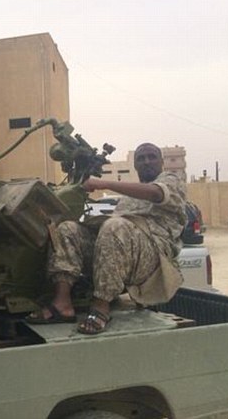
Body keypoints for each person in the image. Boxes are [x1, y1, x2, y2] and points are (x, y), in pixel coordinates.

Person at [26, 143, 187, 334]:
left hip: (153, 256)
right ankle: (62, 304)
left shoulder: (171, 181)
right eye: (141, 159)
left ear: (162, 162)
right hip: (125, 248)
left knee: (114, 226)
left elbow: (156, 193)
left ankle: (101, 306)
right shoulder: (129, 197)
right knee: (67, 229)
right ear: (135, 165)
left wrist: (104, 183)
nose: (147, 161)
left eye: (152, 157)